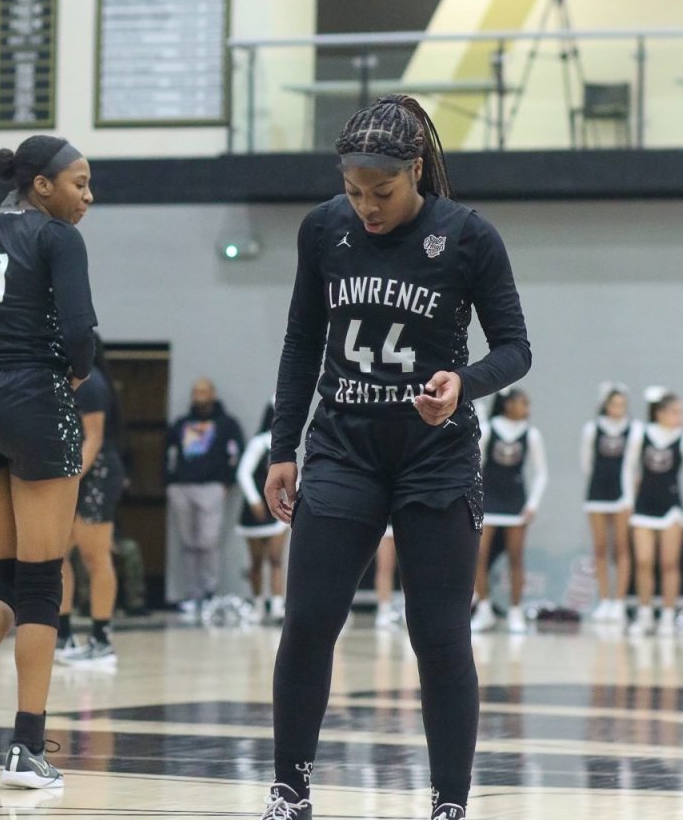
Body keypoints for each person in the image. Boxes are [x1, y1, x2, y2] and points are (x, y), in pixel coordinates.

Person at [260, 94, 531, 820]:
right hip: (343, 448)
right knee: (310, 620)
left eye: (381, 193)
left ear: (415, 171)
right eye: (354, 192)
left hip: (434, 456)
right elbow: (300, 342)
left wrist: (464, 383)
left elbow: (515, 348)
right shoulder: (323, 230)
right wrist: (282, 446)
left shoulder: (468, 237)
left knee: (437, 634)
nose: (366, 207)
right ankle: (290, 789)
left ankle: (449, 803)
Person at [0, 136, 96, 788]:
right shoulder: (56, 238)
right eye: (80, 183)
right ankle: (27, 747)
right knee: (39, 585)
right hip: (32, 394)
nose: (88, 196)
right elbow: (79, 331)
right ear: (42, 186)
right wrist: (76, 373)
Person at [56, 335, 125, 664]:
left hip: (95, 475)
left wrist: (69, 478)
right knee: (58, 555)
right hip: (78, 476)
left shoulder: (92, 383)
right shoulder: (69, 382)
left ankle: (101, 639)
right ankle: (63, 634)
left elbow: (93, 439)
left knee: (95, 556)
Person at [471, 386, 547, 635]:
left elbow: (541, 473)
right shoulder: (490, 429)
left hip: (516, 503)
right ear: (507, 405)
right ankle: (484, 610)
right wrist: (475, 499)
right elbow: (474, 465)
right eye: (523, 403)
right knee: (478, 557)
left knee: (516, 558)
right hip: (489, 501)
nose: (528, 409)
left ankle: (516, 611)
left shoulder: (531, 434)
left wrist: (532, 503)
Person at [165, 379, 244, 612]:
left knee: (208, 541)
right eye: (195, 391)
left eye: (203, 391)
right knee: (188, 543)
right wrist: (169, 482)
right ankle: (192, 594)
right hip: (182, 487)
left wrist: (226, 482)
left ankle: (208, 592)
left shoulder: (226, 424)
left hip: (212, 487)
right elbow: (168, 452)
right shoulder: (181, 423)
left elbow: (236, 451)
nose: (198, 396)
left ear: (212, 394)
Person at [625, 389, 683, 638]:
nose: (679, 417)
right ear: (659, 413)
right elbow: (629, 469)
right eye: (674, 412)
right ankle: (644, 614)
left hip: (672, 507)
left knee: (669, 563)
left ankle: (667, 615)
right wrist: (628, 502)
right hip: (643, 507)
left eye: (681, 412)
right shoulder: (640, 434)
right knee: (643, 562)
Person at [582, 383, 640, 625]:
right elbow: (586, 463)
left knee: (622, 548)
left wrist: (628, 498)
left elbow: (631, 465)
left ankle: (619, 601)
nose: (619, 408)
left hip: (621, 495)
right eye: (615, 404)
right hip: (596, 494)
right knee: (600, 548)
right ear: (605, 405)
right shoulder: (592, 429)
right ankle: (604, 600)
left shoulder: (634, 430)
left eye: (623, 404)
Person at [236, 398, 288, 623]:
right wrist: (254, 500)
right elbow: (244, 473)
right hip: (257, 510)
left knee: (276, 558)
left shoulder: (288, 444)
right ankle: (258, 603)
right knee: (257, 561)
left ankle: (277, 604)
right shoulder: (260, 443)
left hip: (281, 508)